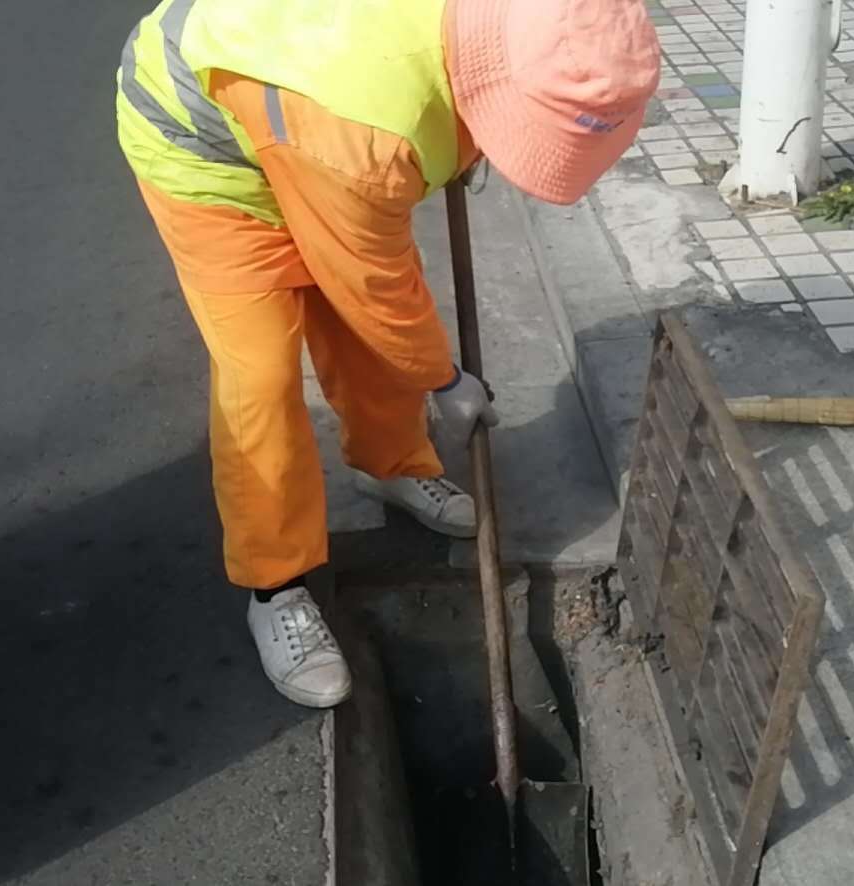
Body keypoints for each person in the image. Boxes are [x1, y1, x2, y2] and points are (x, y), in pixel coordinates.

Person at [117, 0, 659, 707]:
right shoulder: (367, 125)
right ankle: (275, 584)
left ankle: (392, 462)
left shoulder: (498, 28)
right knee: (261, 375)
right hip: (205, 152)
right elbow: (374, 288)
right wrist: (445, 380)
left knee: (366, 339)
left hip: (309, 121)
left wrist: (471, 139)